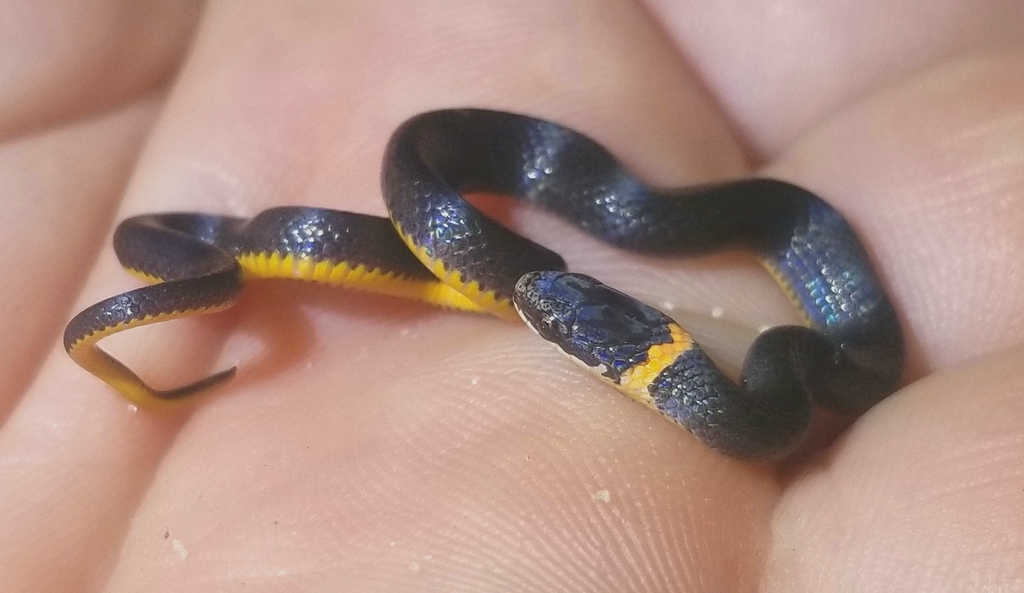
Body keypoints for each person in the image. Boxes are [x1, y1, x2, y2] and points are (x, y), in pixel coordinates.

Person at [1, 1, 1021, 590]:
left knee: (670, 236)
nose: (539, 305)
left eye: (555, 317)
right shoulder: (751, 381)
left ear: (638, 351)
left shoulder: (781, 381)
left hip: (765, 347)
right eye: (544, 311)